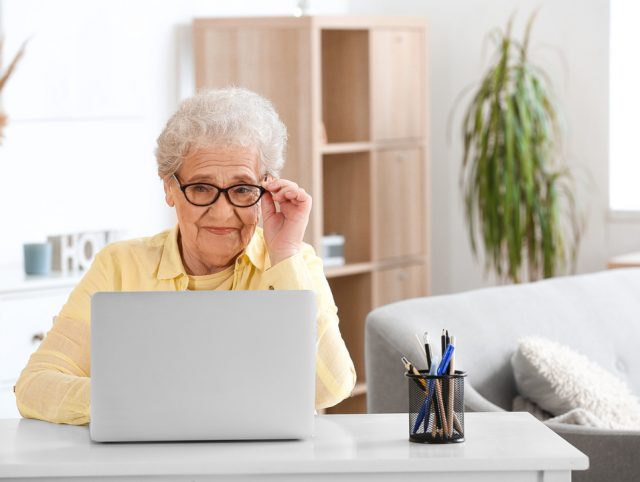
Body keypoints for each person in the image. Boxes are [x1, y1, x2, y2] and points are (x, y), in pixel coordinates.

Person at [14, 87, 356, 425]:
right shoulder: (119, 266)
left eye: (241, 189)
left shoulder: (293, 263)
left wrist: (285, 254)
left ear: (265, 189)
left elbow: (331, 388)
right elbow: (35, 386)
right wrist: (137, 400)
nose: (223, 214)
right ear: (169, 189)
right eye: (201, 188)